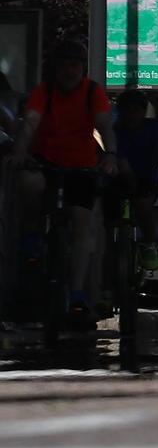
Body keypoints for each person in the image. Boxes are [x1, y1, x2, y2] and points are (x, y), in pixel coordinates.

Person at [11, 40, 115, 320]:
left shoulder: (92, 91)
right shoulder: (43, 92)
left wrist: (111, 155)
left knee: (82, 223)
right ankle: (33, 234)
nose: (69, 71)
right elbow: (30, 122)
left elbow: (104, 125)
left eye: (75, 65)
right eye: (64, 65)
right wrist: (20, 152)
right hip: (44, 161)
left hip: (81, 166)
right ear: (54, 68)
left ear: (82, 69)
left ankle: (77, 293)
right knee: (30, 183)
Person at [110, 90, 158, 254]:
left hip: (147, 179)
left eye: (136, 110)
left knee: (144, 207)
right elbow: (121, 163)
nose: (132, 115)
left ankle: (150, 246)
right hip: (119, 179)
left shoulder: (155, 128)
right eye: (127, 110)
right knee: (106, 213)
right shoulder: (115, 131)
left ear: (144, 111)